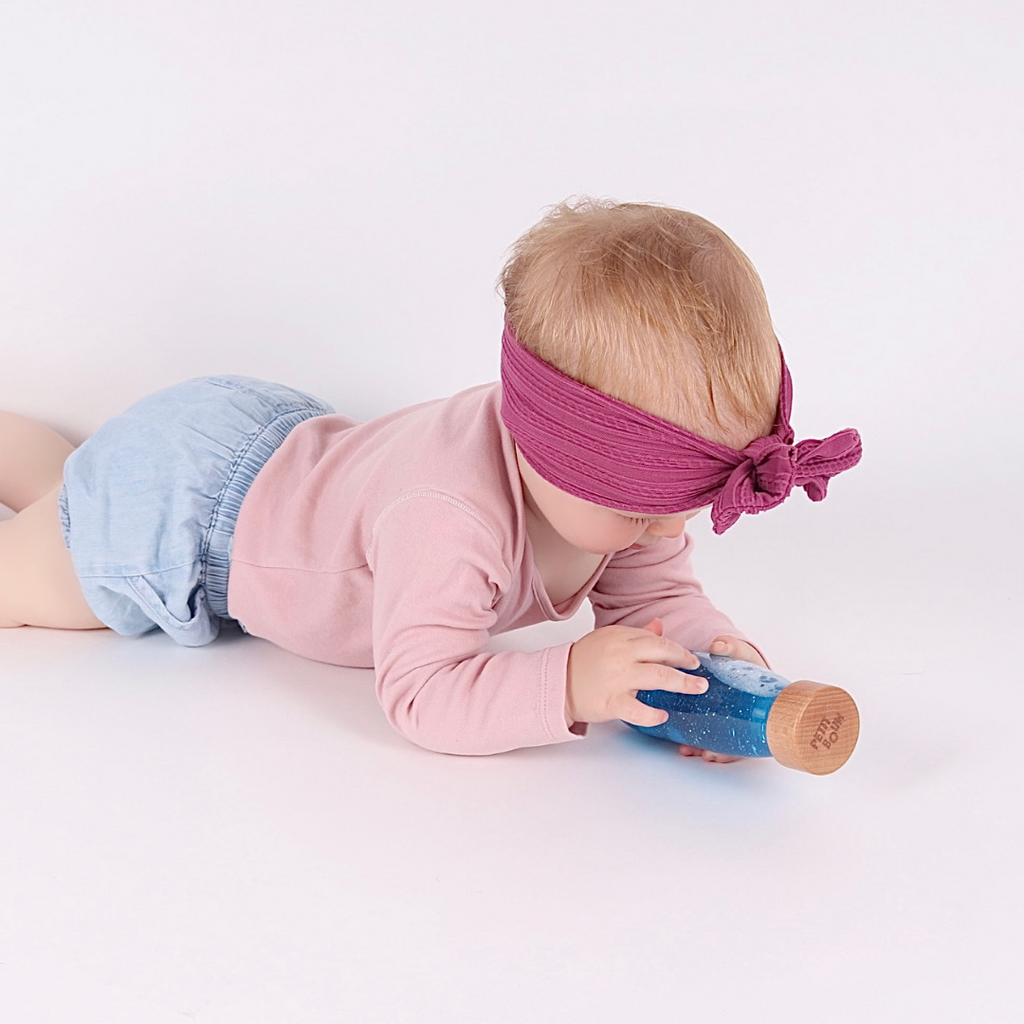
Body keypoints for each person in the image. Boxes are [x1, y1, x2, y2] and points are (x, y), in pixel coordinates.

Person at [0, 199, 862, 760]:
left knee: (71, 490)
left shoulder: (611, 505)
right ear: (551, 446)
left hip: (259, 445)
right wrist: (565, 682)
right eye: (644, 514)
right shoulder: (449, 517)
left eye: (690, 507)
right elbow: (420, 691)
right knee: (28, 575)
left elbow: (656, 600)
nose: (669, 534)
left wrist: (716, 659)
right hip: (187, 520)